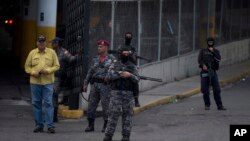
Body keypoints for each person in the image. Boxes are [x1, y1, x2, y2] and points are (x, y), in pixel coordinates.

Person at [24, 35, 60, 133]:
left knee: (48, 103)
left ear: (45, 43)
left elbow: (57, 66)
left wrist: (48, 70)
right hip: (35, 82)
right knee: (36, 103)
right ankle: (39, 125)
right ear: (37, 43)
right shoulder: (32, 53)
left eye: (43, 42)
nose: (41, 43)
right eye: (39, 42)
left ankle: (50, 126)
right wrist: (32, 72)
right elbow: (27, 67)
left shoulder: (51, 52)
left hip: (48, 82)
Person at [103, 47, 139, 141]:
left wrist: (129, 75)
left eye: (127, 54)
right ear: (120, 54)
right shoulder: (114, 64)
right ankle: (108, 135)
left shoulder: (132, 66)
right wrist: (119, 74)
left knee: (127, 116)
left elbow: (137, 79)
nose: (126, 55)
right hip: (116, 93)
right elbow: (108, 77)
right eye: (124, 53)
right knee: (113, 114)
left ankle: (126, 136)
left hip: (128, 94)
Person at [83, 39, 115, 133]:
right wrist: (85, 83)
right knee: (91, 105)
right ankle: (90, 125)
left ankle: (106, 125)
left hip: (105, 86)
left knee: (106, 106)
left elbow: (114, 72)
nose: (99, 48)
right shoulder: (95, 59)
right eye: (98, 46)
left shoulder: (112, 59)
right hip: (95, 85)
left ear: (106, 47)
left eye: (101, 47)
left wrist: (109, 78)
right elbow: (90, 72)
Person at [51, 37, 77, 122]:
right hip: (49, 76)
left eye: (54, 43)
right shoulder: (51, 52)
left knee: (54, 94)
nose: (52, 44)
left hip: (58, 76)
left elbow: (72, 59)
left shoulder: (64, 52)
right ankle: (52, 115)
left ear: (58, 44)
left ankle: (54, 116)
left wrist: (78, 55)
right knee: (51, 95)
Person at [198, 37, 226, 111]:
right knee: (205, 90)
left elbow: (218, 59)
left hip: (213, 72)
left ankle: (219, 105)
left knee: (216, 90)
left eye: (211, 42)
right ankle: (207, 104)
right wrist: (203, 65)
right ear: (207, 43)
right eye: (209, 42)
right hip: (204, 72)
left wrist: (213, 52)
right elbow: (199, 60)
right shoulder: (203, 51)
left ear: (213, 43)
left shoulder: (216, 51)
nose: (210, 43)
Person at [122, 32, 140, 107]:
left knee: (135, 81)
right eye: (127, 37)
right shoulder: (121, 47)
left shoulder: (132, 48)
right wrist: (123, 53)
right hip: (122, 65)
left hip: (131, 66)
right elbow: (118, 55)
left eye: (129, 37)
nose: (128, 38)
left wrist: (130, 53)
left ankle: (136, 99)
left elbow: (134, 57)